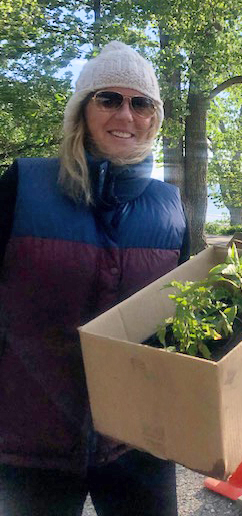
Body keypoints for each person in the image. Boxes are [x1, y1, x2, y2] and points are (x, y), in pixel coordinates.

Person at [0, 41, 190, 516]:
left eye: (141, 102)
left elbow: (184, 321)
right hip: (31, 443)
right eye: (109, 98)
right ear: (82, 111)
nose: (126, 114)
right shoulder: (23, 185)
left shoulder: (170, 207)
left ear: (154, 117)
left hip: (138, 442)